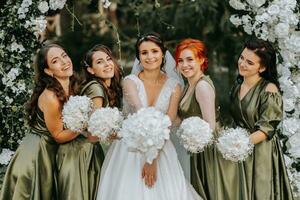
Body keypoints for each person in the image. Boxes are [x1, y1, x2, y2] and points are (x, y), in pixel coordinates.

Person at [96, 32, 202, 200]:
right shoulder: (130, 82)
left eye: (154, 51)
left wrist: (152, 159)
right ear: (138, 57)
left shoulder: (174, 86)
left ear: (162, 54)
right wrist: (147, 157)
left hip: (161, 148)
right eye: (144, 53)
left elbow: (169, 120)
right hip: (130, 149)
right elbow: (140, 114)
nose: (150, 56)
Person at [0, 43, 79, 200]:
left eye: (64, 56)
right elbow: (58, 135)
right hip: (36, 155)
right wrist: (83, 124)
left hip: (50, 150)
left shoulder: (72, 87)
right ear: (48, 71)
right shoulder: (51, 97)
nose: (64, 62)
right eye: (56, 61)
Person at [219, 38, 294, 199]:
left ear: (263, 67)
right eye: (242, 58)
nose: (242, 64)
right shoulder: (237, 87)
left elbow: (267, 129)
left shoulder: (269, 89)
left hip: (261, 151)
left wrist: (240, 144)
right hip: (240, 150)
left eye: (250, 63)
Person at [56, 44, 122, 200]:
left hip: (89, 149)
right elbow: (93, 134)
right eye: (99, 62)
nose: (107, 64)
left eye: (108, 59)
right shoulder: (96, 90)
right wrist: (125, 135)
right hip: (81, 152)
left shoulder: (105, 87)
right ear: (91, 70)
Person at [175, 38, 219, 200]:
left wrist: (194, 142)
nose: (184, 65)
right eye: (180, 61)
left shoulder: (202, 86)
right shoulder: (188, 85)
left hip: (205, 150)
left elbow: (211, 126)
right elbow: (181, 117)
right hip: (194, 146)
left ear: (201, 60)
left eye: (190, 60)